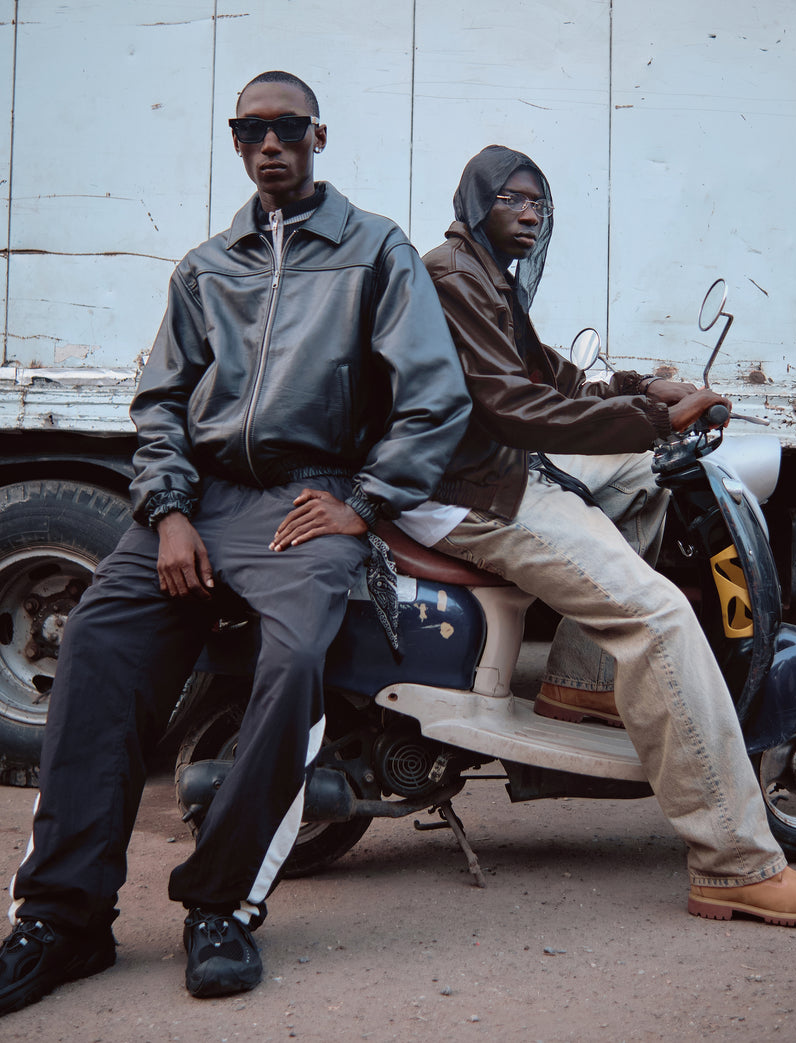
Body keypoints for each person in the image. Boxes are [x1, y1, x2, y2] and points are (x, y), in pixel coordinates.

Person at [0, 71, 470, 1015]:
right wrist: (169, 511)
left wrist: (366, 502)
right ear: (236, 141)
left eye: (288, 128)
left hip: (309, 498)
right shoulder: (205, 268)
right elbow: (161, 403)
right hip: (200, 497)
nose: (270, 145)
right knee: (95, 643)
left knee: (293, 662)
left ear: (318, 136)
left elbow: (434, 395)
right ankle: (63, 917)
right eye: (251, 131)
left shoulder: (376, 252)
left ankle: (221, 906)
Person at [395, 144, 796, 926]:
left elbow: (549, 377)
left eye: (537, 201)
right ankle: (734, 861)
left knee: (643, 477)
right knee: (659, 616)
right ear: (476, 202)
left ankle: (580, 679)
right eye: (511, 199)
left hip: (491, 467)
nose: (529, 213)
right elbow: (515, 409)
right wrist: (650, 419)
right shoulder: (452, 278)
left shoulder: (486, 276)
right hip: (473, 492)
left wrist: (642, 387)